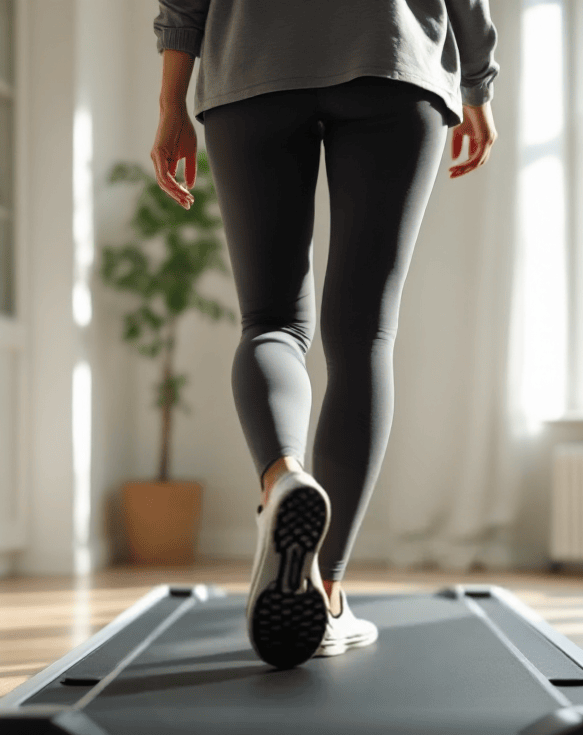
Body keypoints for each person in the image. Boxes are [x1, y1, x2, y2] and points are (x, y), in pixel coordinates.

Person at [152, 0, 499, 669]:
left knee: (271, 321)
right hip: (391, 60)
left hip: (251, 63)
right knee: (363, 334)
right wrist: (478, 81)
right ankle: (327, 591)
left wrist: (170, 101)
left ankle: (282, 476)